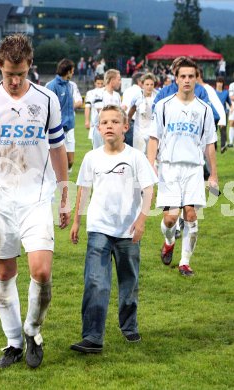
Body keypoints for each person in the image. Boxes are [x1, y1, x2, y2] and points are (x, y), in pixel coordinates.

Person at [0, 34, 70, 369]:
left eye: (21, 73)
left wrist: (65, 194)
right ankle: (13, 343)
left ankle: (33, 331)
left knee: (41, 270)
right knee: (5, 273)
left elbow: (58, 149)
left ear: (30, 65)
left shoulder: (47, 100)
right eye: (9, 74)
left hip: (36, 196)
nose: (15, 80)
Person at [69, 105, 157, 353]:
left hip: (128, 230)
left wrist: (141, 220)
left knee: (129, 282)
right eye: (104, 122)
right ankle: (92, 336)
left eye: (115, 122)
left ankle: (129, 326)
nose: (109, 126)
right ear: (98, 128)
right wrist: (77, 220)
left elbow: (148, 189)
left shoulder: (135, 157)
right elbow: (84, 190)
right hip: (98, 227)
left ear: (125, 127)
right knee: (96, 281)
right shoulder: (91, 158)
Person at [147, 57, 218, 277]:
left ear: (196, 79)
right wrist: (151, 165)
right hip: (169, 167)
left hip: (194, 169)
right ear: (176, 79)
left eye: (191, 76)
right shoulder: (164, 106)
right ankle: (169, 242)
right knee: (170, 218)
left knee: (190, 215)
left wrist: (213, 174)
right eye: (183, 76)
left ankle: (184, 263)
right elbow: (154, 138)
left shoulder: (205, 109)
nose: (187, 80)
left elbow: (209, 143)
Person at [46, 58, 77, 173]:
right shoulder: (52, 86)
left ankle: (60, 180)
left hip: (69, 128)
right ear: (68, 71)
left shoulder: (70, 85)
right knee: (58, 161)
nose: (73, 73)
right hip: (57, 129)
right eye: (72, 70)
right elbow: (48, 108)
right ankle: (57, 184)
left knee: (70, 162)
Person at [90, 69, 122, 149]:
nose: (120, 82)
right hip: (100, 130)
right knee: (99, 156)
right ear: (112, 80)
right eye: (119, 79)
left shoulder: (117, 95)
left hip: (113, 130)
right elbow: (101, 113)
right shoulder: (99, 93)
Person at [128, 72, 158, 154]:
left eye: (151, 84)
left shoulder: (158, 96)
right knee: (139, 155)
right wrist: (126, 124)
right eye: (147, 84)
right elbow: (131, 112)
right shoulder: (137, 96)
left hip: (153, 130)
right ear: (142, 85)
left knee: (152, 155)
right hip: (139, 130)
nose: (149, 87)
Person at [121, 72, 143, 147]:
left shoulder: (127, 90)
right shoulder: (140, 92)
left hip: (126, 121)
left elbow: (124, 106)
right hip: (135, 122)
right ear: (139, 81)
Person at [215, 76, 234, 153]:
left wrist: (231, 108)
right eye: (218, 82)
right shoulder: (213, 92)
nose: (219, 84)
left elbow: (230, 103)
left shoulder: (226, 92)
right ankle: (215, 147)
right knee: (213, 131)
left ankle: (223, 146)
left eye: (221, 82)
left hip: (223, 113)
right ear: (216, 83)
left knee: (223, 130)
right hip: (214, 113)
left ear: (223, 84)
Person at [84, 74, 104, 145]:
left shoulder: (106, 92)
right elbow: (87, 107)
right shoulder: (90, 93)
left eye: (102, 83)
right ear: (95, 83)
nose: (100, 85)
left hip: (106, 122)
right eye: (98, 83)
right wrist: (87, 120)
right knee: (95, 147)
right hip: (95, 124)